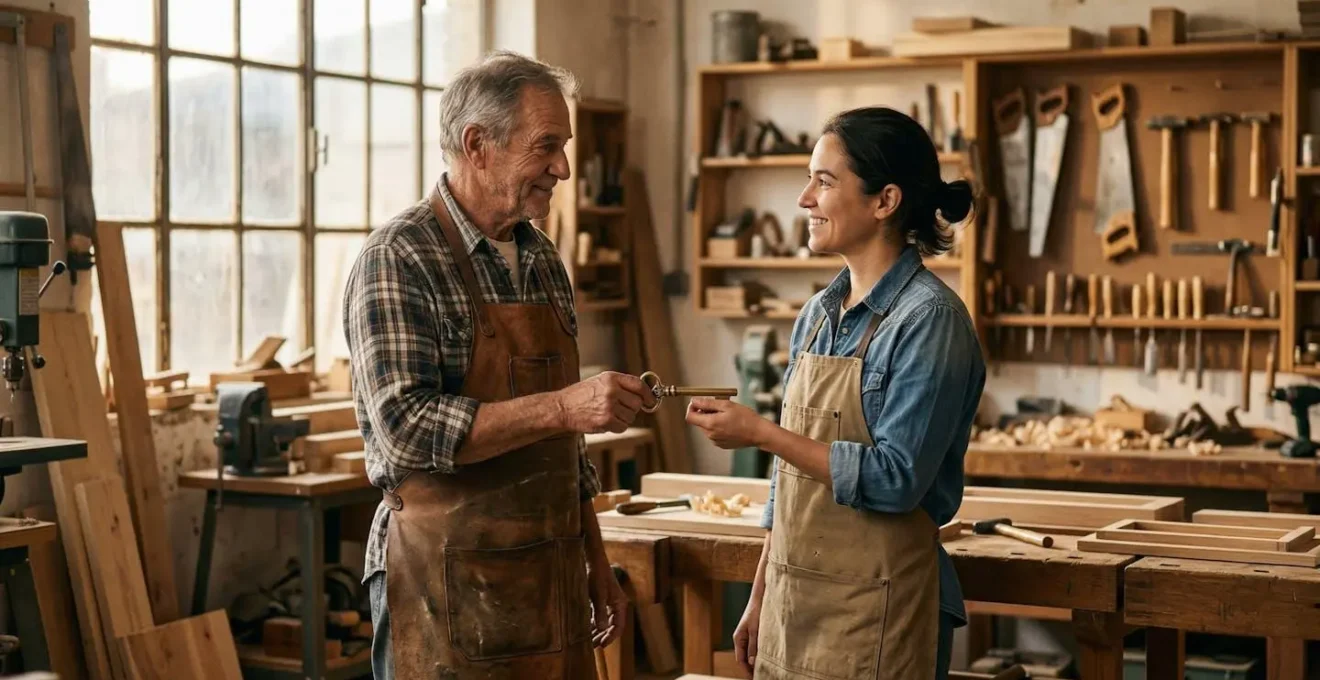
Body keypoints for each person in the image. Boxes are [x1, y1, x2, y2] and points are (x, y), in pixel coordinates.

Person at [342, 50, 656, 680]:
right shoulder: (400, 257)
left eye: (563, 147)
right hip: (440, 585)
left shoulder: (543, 260)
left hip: (548, 574)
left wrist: (594, 559)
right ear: (477, 145)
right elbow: (405, 431)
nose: (562, 168)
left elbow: (565, 449)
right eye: (546, 147)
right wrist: (565, 405)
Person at [685, 106, 986, 680]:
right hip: (796, 606)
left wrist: (760, 433)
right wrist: (760, 594)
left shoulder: (930, 321)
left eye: (823, 182)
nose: (805, 200)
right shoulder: (817, 315)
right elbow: (788, 484)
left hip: (879, 616)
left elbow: (896, 480)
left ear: (885, 201)